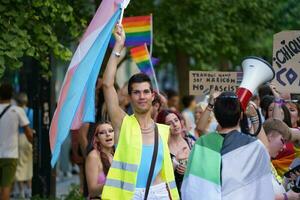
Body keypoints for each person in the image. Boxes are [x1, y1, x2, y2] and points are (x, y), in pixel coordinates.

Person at [101, 24, 179, 200]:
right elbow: (107, 85)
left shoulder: (163, 130)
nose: (141, 96)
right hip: (131, 195)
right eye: (136, 92)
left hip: (160, 193)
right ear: (130, 97)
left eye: (145, 92)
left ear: (153, 96)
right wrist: (118, 48)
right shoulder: (123, 123)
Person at [181, 91, 274, 200]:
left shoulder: (202, 144)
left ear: (215, 115)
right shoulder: (254, 146)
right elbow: (264, 184)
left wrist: (210, 105)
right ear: (241, 115)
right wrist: (254, 117)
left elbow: (192, 187)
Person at [0, 83, 33, 200]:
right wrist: (34, 145)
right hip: (10, 155)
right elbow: (29, 133)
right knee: (6, 187)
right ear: (11, 95)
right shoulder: (18, 111)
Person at [156, 109, 195, 196]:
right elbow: (160, 177)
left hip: (193, 192)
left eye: (176, 120)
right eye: (169, 123)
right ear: (163, 127)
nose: (175, 124)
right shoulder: (161, 148)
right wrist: (175, 161)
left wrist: (189, 170)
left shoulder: (191, 142)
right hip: (173, 194)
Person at [263, 118, 300, 200]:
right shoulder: (257, 162)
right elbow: (256, 196)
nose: (284, 147)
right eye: (283, 141)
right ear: (270, 136)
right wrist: (287, 196)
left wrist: (287, 179)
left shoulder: (267, 161)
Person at [85, 121, 115, 199]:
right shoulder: (93, 156)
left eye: (111, 131)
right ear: (97, 138)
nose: (108, 134)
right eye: (102, 132)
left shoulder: (115, 156)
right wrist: (111, 182)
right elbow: (92, 191)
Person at [15, 92, 34, 198]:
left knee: (19, 165)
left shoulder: (16, 112)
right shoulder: (32, 112)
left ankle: (21, 190)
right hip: (29, 139)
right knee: (29, 165)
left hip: (19, 138)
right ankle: (29, 189)